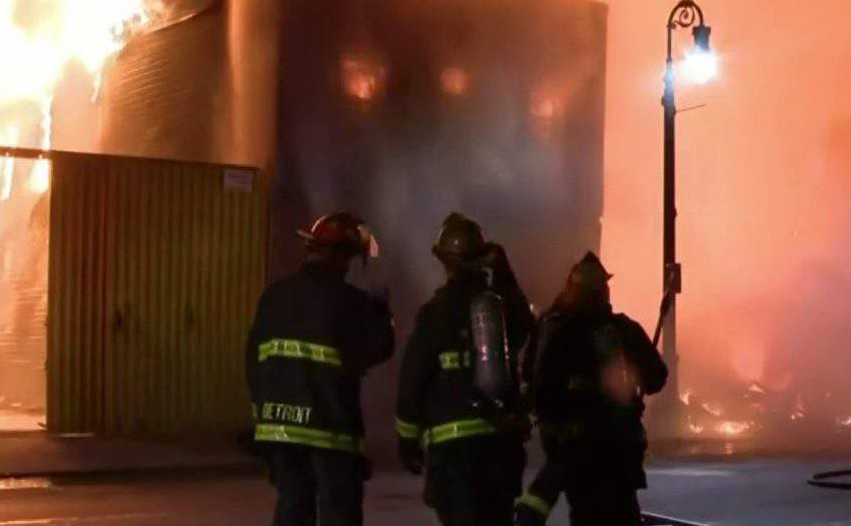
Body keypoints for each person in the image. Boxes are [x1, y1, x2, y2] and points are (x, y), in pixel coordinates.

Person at [246, 212, 395, 526]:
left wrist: (263, 413)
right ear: (343, 256)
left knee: (292, 508)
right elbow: (377, 350)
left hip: (278, 428)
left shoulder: (273, 296)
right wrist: (381, 314)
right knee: (339, 512)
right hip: (330, 430)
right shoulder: (352, 302)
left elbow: (253, 361)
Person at [396, 213, 533, 526]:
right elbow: (525, 327)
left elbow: (412, 381)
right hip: (499, 445)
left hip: (453, 451)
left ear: (445, 263)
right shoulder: (499, 307)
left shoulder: (434, 314)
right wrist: (504, 274)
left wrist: (407, 440)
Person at [518, 252, 666, 526]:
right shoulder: (623, 329)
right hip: (619, 452)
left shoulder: (552, 329)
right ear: (603, 291)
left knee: (585, 514)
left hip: (573, 453)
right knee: (623, 515)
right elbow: (657, 378)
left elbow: (534, 382)